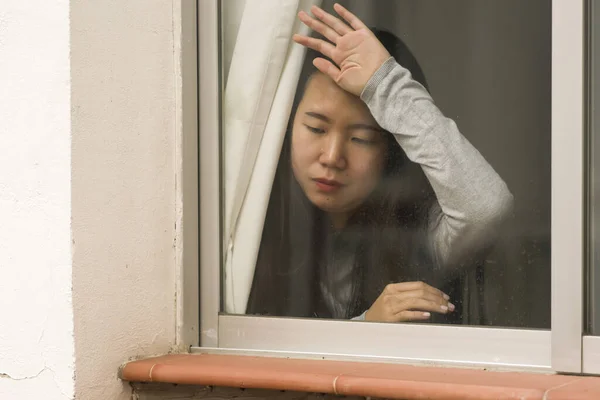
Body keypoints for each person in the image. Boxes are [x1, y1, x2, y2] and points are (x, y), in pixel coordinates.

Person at [245, 3, 513, 323]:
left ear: (391, 151)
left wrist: (383, 85)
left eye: (361, 139)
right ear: (285, 128)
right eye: (316, 128)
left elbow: (486, 207)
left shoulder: (417, 233)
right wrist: (367, 328)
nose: (332, 157)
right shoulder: (250, 226)